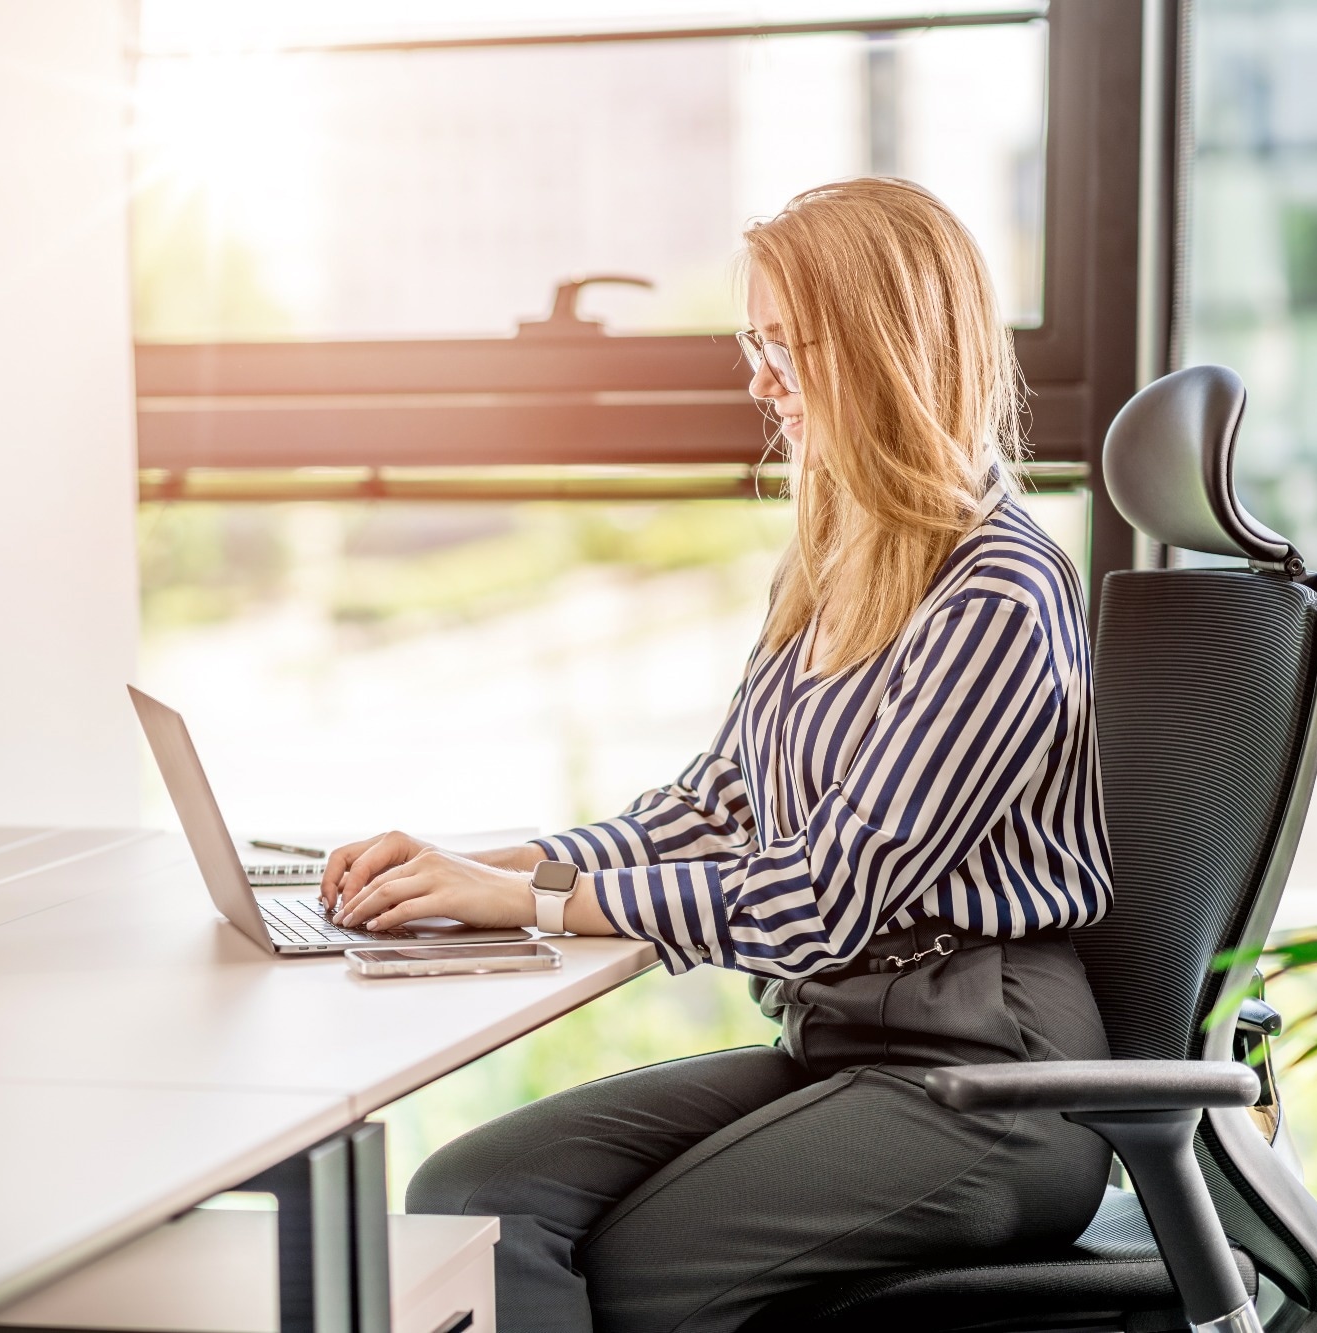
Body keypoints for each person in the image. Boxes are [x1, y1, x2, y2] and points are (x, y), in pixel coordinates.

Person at [318, 177, 1115, 1333]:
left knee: (638, 1275)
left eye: (788, 343)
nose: (757, 378)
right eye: (754, 339)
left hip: (990, 1085)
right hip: (844, 1047)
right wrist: (469, 869)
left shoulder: (998, 591)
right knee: (468, 1199)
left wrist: (531, 900)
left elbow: (820, 899)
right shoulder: (837, 564)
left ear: (891, 349)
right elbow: (706, 810)